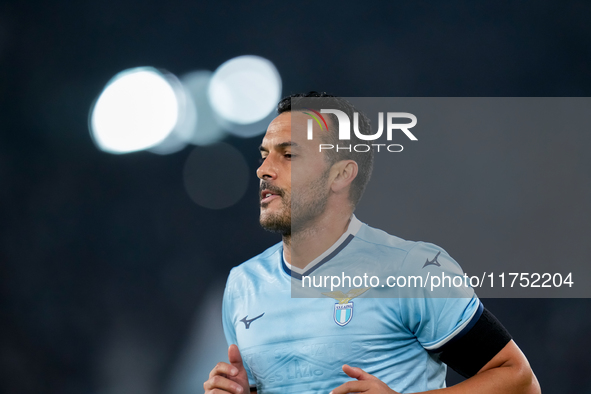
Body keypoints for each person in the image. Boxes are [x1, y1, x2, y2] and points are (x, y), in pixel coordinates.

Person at [204, 92, 540, 394]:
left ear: (341, 175)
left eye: (288, 155)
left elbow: (519, 381)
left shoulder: (412, 269)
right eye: (263, 155)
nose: (264, 169)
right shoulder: (242, 285)